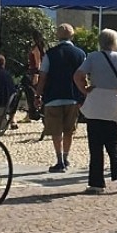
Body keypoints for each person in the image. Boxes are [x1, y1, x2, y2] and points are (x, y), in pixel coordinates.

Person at [75, 29, 117, 193]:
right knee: (113, 142)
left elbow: (78, 75)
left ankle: (96, 183)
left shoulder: (93, 57)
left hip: (96, 101)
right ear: (116, 43)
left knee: (95, 145)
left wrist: (84, 89)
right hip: (113, 101)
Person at [36, 24, 86, 173]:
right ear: (72, 36)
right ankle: (66, 156)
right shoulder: (80, 54)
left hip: (53, 96)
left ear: (58, 36)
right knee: (69, 130)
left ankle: (59, 160)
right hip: (73, 96)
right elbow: (83, 76)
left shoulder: (50, 54)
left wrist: (37, 94)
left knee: (56, 130)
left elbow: (43, 77)